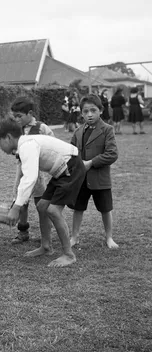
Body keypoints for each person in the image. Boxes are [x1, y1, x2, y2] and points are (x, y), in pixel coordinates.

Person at [0, 119, 86, 267]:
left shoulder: (27, 145)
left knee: (53, 210)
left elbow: (30, 177)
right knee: (42, 206)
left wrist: (16, 208)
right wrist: (17, 202)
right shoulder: (25, 145)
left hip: (71, 168)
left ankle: (69, 255)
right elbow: (26, 177)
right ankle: (46, 246)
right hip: (60, 171)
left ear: (8, 137)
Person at [69, 94, 119, 249]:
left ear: (101, 111)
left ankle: (109, 237)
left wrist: (91, 163)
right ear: (81, 113)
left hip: (100, 179)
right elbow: (71, 151)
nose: (89, 114)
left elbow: (112, 154)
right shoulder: (78, 131)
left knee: (105, 209)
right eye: (85, 111)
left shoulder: (107, 130)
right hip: (80, 179)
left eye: (93, 110)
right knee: (78, 208)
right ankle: (74, 237)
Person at [9, 96, 54, 245]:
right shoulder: (16, 129)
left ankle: (45, 234)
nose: (16, 119)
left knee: (41, 203)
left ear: (29, 113)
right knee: (21, 201)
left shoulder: (41, 128)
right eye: (14, 116)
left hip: (38, 173)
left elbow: (53, 144)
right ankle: (23, 232)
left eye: (19, 116)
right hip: (21, 169)